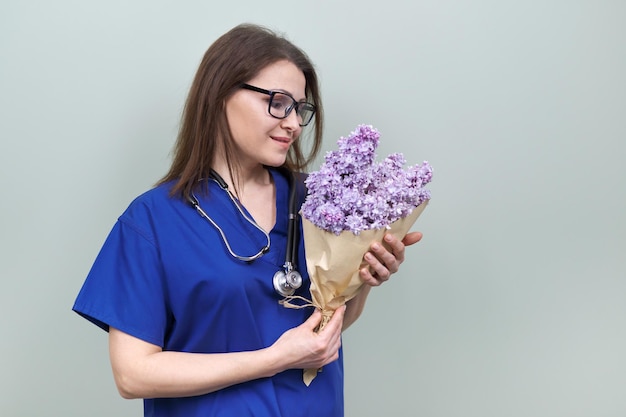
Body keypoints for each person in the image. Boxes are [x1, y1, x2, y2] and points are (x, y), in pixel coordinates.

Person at [73, 23, 422, 417]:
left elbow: (326, 326)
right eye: (277, 102)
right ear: (220, 94)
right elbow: (133, 374)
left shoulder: (319, 201)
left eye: (300, 108)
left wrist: (365, 279)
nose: (292, 123)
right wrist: (274, 358)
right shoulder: (154, 220)